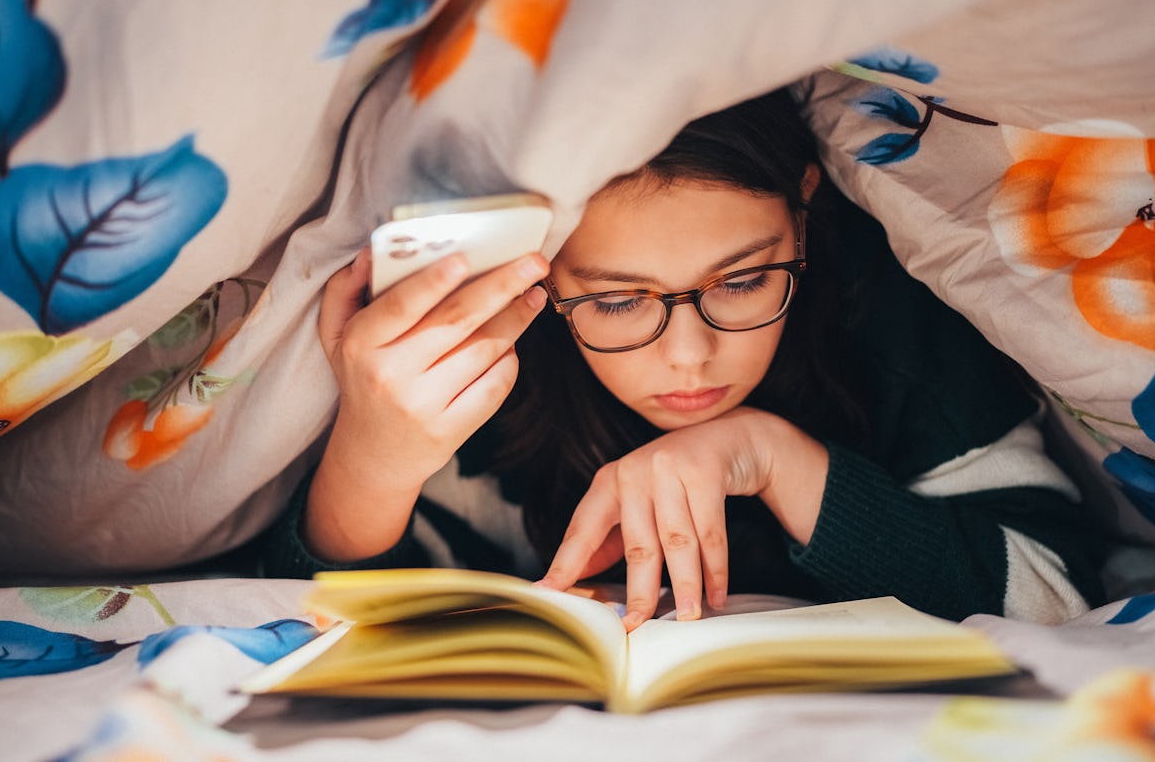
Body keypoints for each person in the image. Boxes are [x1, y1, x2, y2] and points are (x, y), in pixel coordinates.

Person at [262, 89, 1106, 628]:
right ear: (544, 270)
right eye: (618, 300)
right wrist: (369, 459)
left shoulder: (891, 330)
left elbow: (1059, 598)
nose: (691, 357)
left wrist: (775, 459)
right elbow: (309, 612)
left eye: (742, 280)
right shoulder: (494, 370)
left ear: (805, 209)